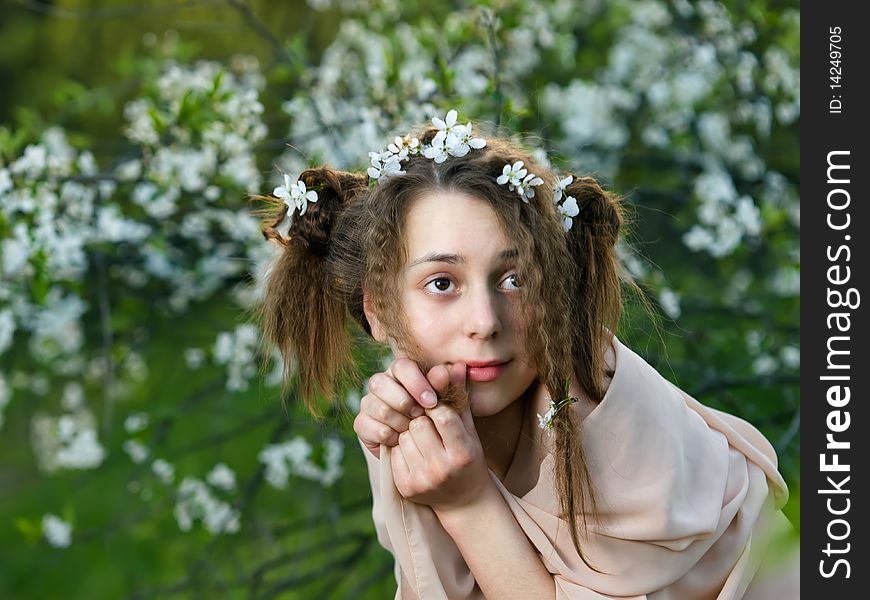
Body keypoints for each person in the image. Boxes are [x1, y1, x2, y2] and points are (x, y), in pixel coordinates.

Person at [256, 110, 798, 599]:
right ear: (378, 311)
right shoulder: (407, 415)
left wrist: (466, 503)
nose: (486, 323)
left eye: (515, 279)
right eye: (442, 283)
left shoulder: (601, 399)